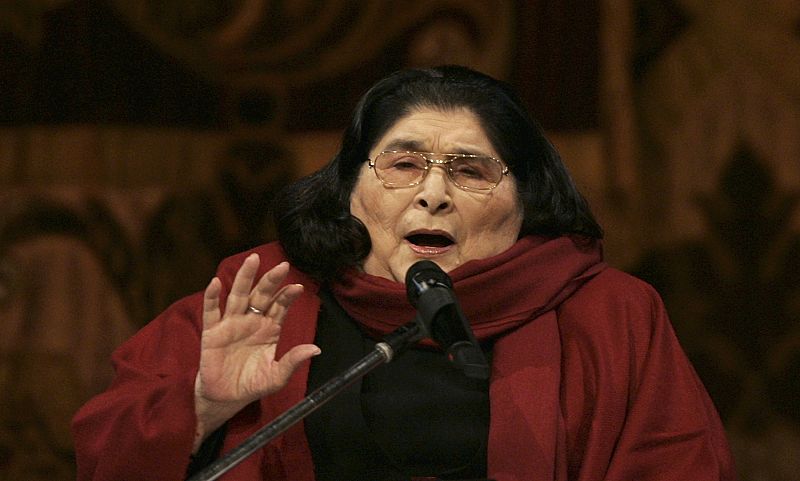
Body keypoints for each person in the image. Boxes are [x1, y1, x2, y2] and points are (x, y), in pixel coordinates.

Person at [71, 65, 736, 481]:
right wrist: (202, 407)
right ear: (350, 189)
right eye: (404, 165)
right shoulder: (265, 295)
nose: (432, 195)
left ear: (526, 199)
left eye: (470, 171)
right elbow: (103, 458)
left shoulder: (608, 312)